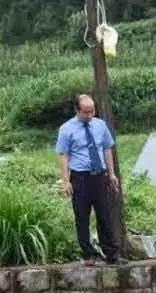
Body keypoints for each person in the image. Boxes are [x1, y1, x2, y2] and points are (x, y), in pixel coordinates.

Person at [56, 94, 127, 266]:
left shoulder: (100, 125)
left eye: (92, 111)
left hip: (99, 176)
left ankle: (112, 254)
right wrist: (66, 181)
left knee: (105, 215)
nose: (90, 115)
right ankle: (88, 255)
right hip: (80, 178)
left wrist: (111, 174)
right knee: (82, 217)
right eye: (86, 112)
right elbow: (63, 155)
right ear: (77, 110)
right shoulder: (66, 129)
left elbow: (107, 148)